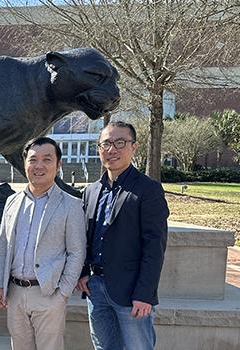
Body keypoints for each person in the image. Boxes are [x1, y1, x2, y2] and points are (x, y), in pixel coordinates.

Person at [75, 121, 169, 350]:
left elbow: (154, 246)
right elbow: (84, 238)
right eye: (106, 144)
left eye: (120, 143)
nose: (112, 150)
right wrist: (83, 273)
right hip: (95, 289)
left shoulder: (148, 190)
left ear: (133, 147)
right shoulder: (91, 191)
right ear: (99, 149)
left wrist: (145, 294)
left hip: (131, 293)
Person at [0, 136, 87, 350]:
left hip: (48, 293)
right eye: (33, 159)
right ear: (24, 163)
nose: (39, 166)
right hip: (15, 292)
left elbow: (76, 252)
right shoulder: (12, 202)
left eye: (47, 159)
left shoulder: (71, 205)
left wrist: (62, 294)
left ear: (58, 164)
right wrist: (0, 284)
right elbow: (4, 246)